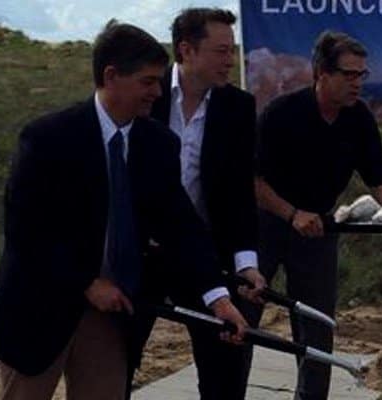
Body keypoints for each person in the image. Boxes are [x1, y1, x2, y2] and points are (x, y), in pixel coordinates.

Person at [0, 21, 246, 400]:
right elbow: (28, 231)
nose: (157, 92)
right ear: (111, 76)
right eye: (147, 82)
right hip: (40, 308)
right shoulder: (48, 138)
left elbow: (181, 225)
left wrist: (217, 297)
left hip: (110, 316)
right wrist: (87, 283)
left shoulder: (157, 144)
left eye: (159, 82)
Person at [245, 31, 382, 400]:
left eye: (361, 75)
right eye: (348, 74)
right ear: (321, 73)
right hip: (265, 223)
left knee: (317, 326)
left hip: (318, 229)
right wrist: (292, 214)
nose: (357, 83)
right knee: (243, 317)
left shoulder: (358, 118)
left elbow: (379, 182)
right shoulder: (281, 113)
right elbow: (252, 182)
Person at [126, 8, 266, 400]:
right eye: (221, 51)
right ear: (186, 50)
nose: (230, 60)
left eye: (233, 50)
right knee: (119, 359)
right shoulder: (143, 97)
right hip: (140, 253)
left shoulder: (237, 107)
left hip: (205, 255)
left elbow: (240, 193)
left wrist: (246, 264)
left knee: (223, 363)